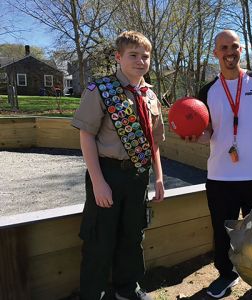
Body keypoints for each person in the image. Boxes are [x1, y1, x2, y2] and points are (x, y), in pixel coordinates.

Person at [71, 31, 165, 300]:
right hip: (107, 174)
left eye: (145, 56)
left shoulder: (150, 96)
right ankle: (93, 294)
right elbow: (86, 135)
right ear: (118, 57)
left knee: (132, 236)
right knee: (100, 239)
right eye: (133, 55)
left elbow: (154, 143)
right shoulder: (101, 90)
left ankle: (127, 289)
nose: (140, 61)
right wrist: (98, 181)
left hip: (138, 176)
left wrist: (158, 177)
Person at [196, 30, 252, 299]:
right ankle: (226, 275)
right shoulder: (207, 91)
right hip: (220, 177)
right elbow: (206, 132)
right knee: (222, 232)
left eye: (234, 46)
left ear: (241, 50)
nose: (229, 52)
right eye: (223, 47)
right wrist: (194, 134)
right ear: (215, 53)